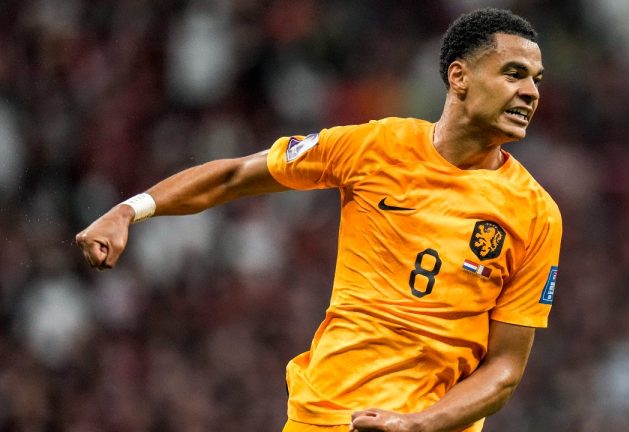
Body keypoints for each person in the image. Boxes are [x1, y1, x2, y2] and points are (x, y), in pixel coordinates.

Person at [76, 8, 561, 432]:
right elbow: (233, 177)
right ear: (459, 77)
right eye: (514, 73)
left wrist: (418, 424)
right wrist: (128, 211)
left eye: (536, 80)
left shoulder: (536, 214)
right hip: (326, 414)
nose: (530, 93)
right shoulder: (372, 147)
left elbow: (505, 368)